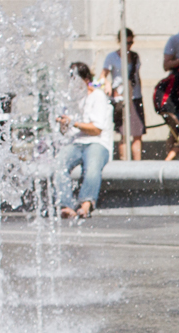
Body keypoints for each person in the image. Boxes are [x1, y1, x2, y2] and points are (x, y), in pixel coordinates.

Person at [55, 62, 112, 219]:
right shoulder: (71, 100)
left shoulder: (98, 96)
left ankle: (86, 204)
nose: (72, 85)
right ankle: (66, 205)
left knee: (92, 167)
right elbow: (67, 132)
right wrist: (63, 124)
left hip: (97, 142)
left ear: (86, 80)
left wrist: (73, 122)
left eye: (76, 80)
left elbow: (96, 129)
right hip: (76, 142)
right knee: (59, 163)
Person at [102, 30, 145, 160]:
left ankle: (138, 167)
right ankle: (124, 163)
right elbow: (102, 77)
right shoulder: (112, 57)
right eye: (126, 43)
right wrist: (108, 84)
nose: (129, 45)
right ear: (120, 42)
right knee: (124, 134)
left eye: (131, 42)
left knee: (138, 134)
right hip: (120, 98)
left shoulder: (135, 56)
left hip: (135, 97)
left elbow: (137, 77)